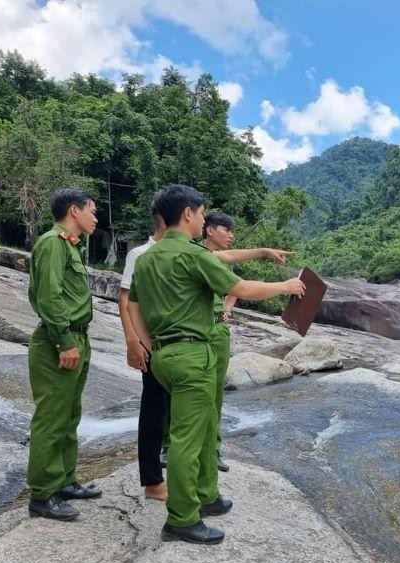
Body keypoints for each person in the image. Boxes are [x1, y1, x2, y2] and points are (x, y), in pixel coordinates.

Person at [127, 184, 304, 544]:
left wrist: (150, 346)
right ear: (188, 214)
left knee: (206, 426)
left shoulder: (147, 258)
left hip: (165, 354)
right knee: (187, 439)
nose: (205, 219)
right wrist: (286, 286)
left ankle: (206, 495)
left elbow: (136, 306)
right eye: (203, 213)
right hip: (192, 354)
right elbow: (242, 288)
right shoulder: (193, 255)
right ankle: (180, 518)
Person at [26, 188, 100, 521]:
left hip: (77, 339)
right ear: (74, 210)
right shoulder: (52, 243)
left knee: (70, 416)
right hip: (61, 341)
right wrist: (63, 341)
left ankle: (65, 480)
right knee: (52, 419)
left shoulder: (70, 245)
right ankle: (42, 494)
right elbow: (48, 296)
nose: (95, 217)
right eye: (92, 211)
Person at [201, 211, 294, 472]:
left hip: (217, 326)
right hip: (200, 331)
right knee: (199, 395)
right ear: (208, 229)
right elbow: (239, 283)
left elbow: (231, 286)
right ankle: (183, 449)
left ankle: (211, 448)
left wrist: (227, 309)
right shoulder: (196, 253)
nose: (231, 235)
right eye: (226, 229)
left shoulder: (213, 257)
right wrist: (285, 286)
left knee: (215, 393)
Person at [119, 204, 169, 501]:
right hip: (151, 345)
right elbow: (125, 300)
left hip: (175, 346)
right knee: (153, 411)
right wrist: (132, 341)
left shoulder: (184, 253)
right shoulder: (139, 255)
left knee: (172, 412)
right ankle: (152, 481)